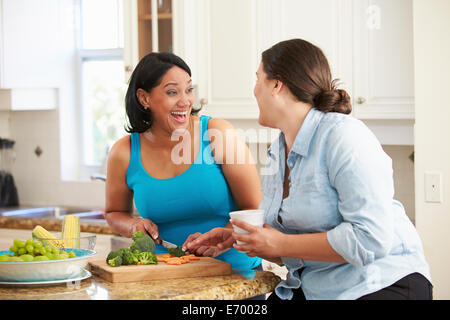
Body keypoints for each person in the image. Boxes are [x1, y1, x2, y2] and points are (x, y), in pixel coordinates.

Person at [185, 39, 433, 300]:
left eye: (258, 79)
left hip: (379, 283)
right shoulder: (278, 150)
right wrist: (242, 238)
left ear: (276, 85)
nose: (255, 90)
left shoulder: (344, 136)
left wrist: (279, 243)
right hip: (317, 287)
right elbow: (296, 247)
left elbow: (370, 239)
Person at [104, 52, 262, 271]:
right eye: (172, 92)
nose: (185, 101)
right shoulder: (124, 152)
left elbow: (253, 207)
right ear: (144, 98)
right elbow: (113, 213)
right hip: (165, 276)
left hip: (234, 275)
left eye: (189, 90)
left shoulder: (217, 134)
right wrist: (133, 225)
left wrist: (225, 238)